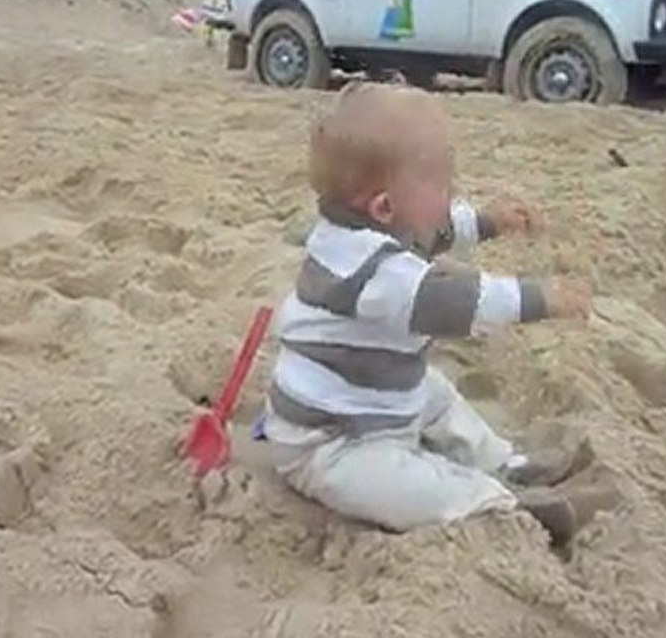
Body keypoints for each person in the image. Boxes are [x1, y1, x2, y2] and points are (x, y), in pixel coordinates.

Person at [254, 81, 619, 546]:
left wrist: (487, 221)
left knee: (436, 394)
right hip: (330, 441)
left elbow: (435, 229)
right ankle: (508, 505)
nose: (454, 189)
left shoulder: (378, 224)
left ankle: (505, 463)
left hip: (378, 395)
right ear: (384, 205)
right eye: (442, 180)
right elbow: (452, 299)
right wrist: (538, 299)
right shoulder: (367, 269)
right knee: (407, 487)